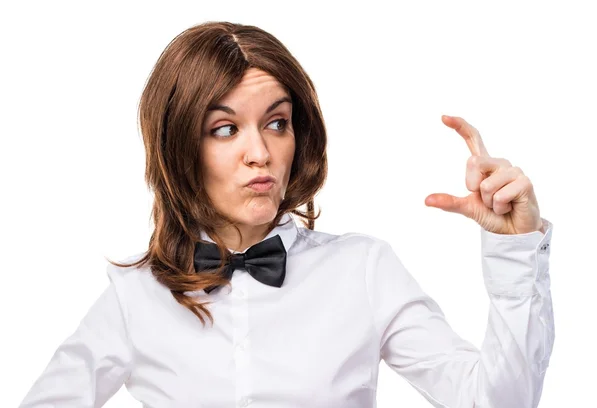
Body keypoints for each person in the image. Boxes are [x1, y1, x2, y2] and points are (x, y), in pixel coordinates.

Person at [19, 21, 554, 408]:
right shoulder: (135, 293)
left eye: (277, 123)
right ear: (182, 146)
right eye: (225, 129)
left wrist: (514, 250)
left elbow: (497, 402)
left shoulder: (363, 270)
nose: (261, 152)